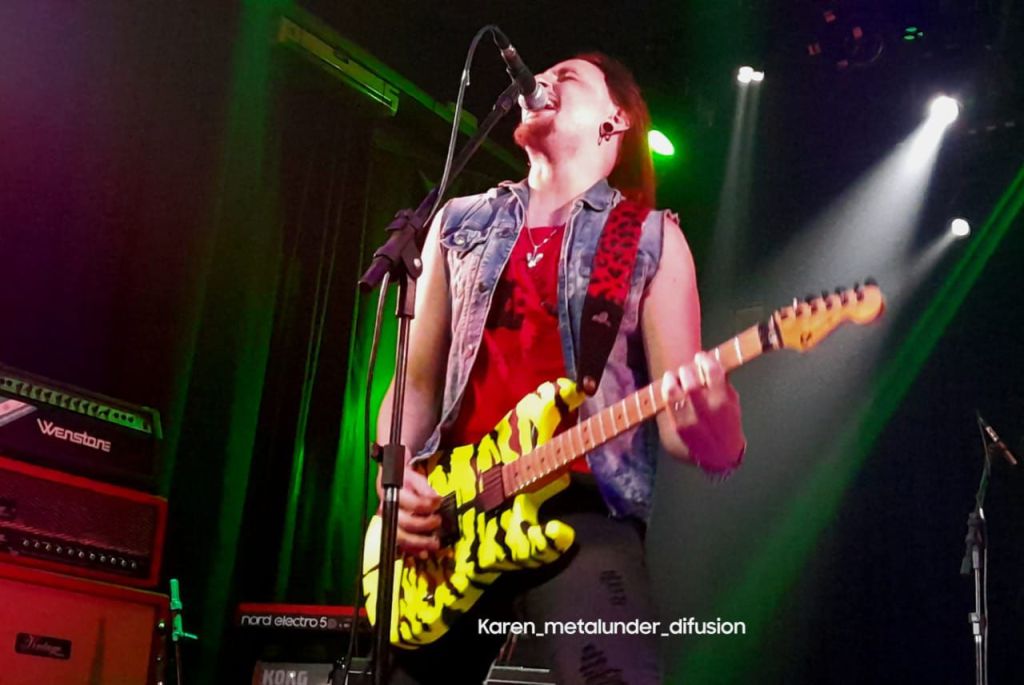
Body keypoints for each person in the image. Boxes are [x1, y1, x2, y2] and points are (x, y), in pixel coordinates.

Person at [375, 52, 747, 684]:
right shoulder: (458, 222)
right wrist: (395, 484)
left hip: (582, 510)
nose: (541, 81)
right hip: (451, 516)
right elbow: (414, 384)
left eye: (566, 78)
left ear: (615, 120)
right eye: (541, 75)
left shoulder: (650, 238)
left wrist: (717, 414)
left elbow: (689, 434)